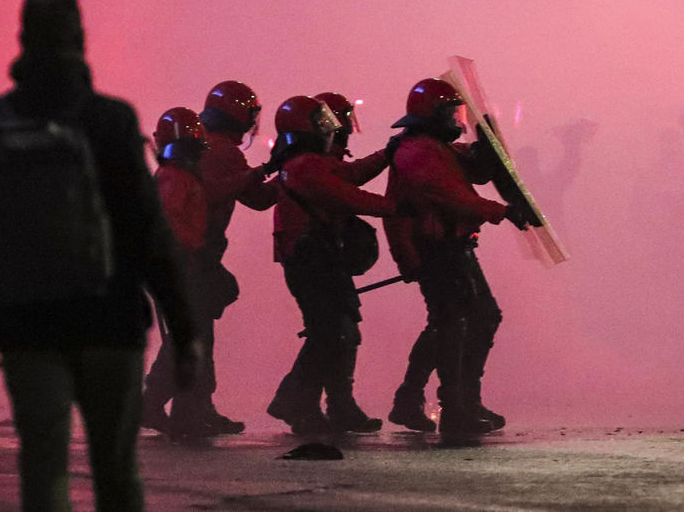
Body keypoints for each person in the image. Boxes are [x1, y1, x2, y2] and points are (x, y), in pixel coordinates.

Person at [0, 0, 197, 511]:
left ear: (23, 41)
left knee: (43, 468)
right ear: (80, 39)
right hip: (112, 322)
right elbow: (147, 230)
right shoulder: (111, 120)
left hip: (27, 325)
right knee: (116, 471)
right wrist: (185, 327)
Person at [383, 78, 532, 435]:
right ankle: (453, 407)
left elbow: (475, 171)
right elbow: (453, 195)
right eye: (451, 113)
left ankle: (447, 399)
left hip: (452, 246)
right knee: (451, 324)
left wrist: (487, 147)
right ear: (434, 115)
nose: (456, 120)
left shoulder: (436, 148)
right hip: (436, 249)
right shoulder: (418, 151)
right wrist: (502, 211)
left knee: (466, 320)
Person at [266, 95, 398, 435]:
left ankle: (327, 405)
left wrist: (386, 155)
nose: (333, 130)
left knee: (336, 332)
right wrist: (396, 207)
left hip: (319, 257)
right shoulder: (306, 166)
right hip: (314, 259)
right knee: (329, 334)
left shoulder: (305, 162)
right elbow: (347, 193)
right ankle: (298, 401)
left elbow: (348, 176)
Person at [170, 79, 278, 434]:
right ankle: (176, 408)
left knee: (196, 333)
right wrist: (272, 171)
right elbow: (242, 194)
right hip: (195, 253)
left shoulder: (204, 147)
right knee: (196, 334)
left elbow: (254, 196)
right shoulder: (222, 151)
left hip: (188, 252)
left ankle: (194, 407)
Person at [142, 107, 217, 438]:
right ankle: (157, 402)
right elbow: (169, 223)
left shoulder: (173, 176)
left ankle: (180, 410)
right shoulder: (176, 178)